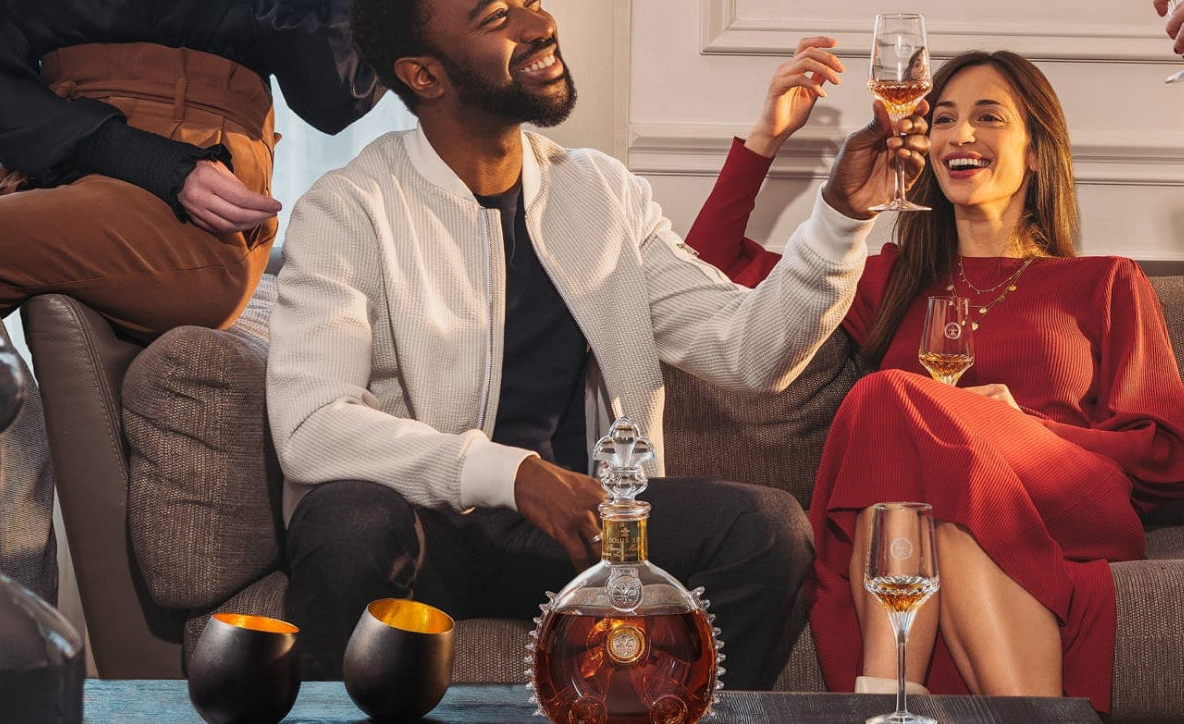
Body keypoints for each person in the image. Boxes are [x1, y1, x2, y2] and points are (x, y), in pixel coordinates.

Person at [266, 0, 930, 684]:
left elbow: (750, 351)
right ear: (424, 75)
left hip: (586, 533)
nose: (537, 23)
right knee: (347, 519)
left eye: (529, 1)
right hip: (429, 532)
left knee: (763, 528)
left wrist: (842, 218)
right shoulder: (348, 209)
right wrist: (513, 474)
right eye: (496, 18)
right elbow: (312, 427)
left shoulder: (601, 192)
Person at [685, 49, 1184, 714]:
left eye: (987, 117)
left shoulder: (1103, 281)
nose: (959, 135)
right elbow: (704, 278)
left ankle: (879, 698)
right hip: (940, 520)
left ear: (1035, 152)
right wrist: (765, 141)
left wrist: (1018, 428)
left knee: (886, 394)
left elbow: (1162, 455)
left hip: (1065, 499)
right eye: (942, 118)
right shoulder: (889, 281)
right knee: (942, 527)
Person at [0, 0, 381, 601]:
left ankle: (0, 648)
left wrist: (166, 167)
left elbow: (336, 94)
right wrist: (140, 158)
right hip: (46, 168)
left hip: (198, 197)